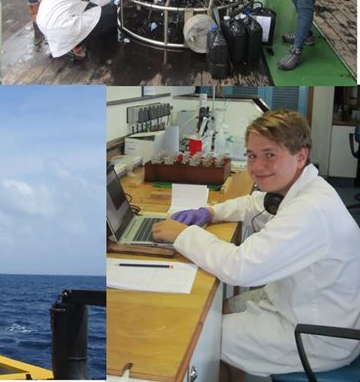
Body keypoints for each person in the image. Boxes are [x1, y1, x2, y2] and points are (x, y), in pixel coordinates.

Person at [151, 110, 360, 380]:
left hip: (318, 336)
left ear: (301, 156)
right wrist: (210, 213)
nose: (257, 166)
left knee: (200, 334)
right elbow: (254, 203)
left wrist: (182, 235)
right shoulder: (300, 188)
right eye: (251, 155)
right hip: (296, 303)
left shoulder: (310, 209)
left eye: (270, 155)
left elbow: (239, 267)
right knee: (218, 310)